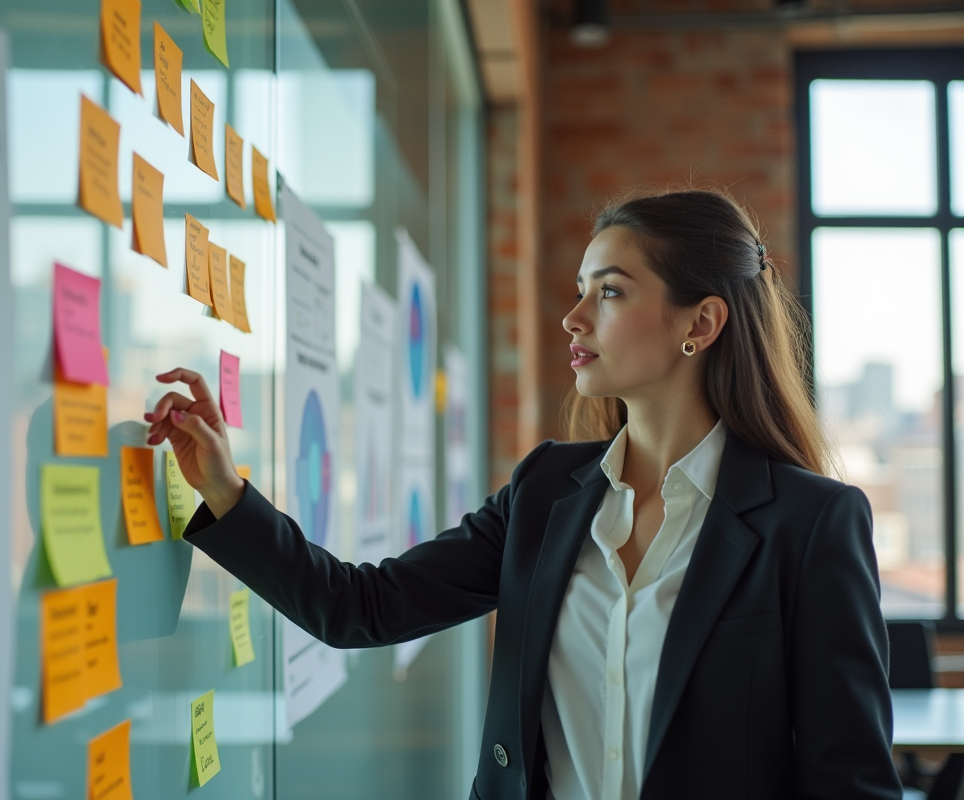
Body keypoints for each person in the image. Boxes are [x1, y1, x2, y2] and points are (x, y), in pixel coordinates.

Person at [143, 189, 902, 800]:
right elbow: (359, 607)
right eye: (580, 292)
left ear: (700, 323)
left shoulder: (811, 525)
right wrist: (225, 488)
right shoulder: (546, 494)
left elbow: (851, 782)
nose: (573, 319)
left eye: (609, 293)